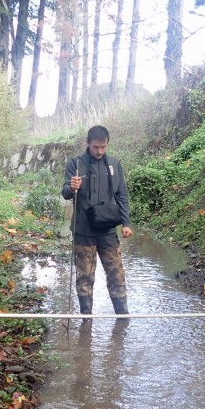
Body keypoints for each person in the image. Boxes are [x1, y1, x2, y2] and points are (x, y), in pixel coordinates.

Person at [61, 125, 133, 316]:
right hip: (83, 231)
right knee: (84, 277)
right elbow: (65, 193)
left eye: (103, 147)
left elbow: (122, 196)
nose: (100, 151)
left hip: (108, 231)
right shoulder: (75, 164)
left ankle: (122, 317)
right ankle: (86, 320)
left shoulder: (115, 164)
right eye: (95, 147)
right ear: (88, 143)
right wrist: (72, 187)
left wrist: (126, 223)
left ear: (107, 144)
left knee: (117, 275)